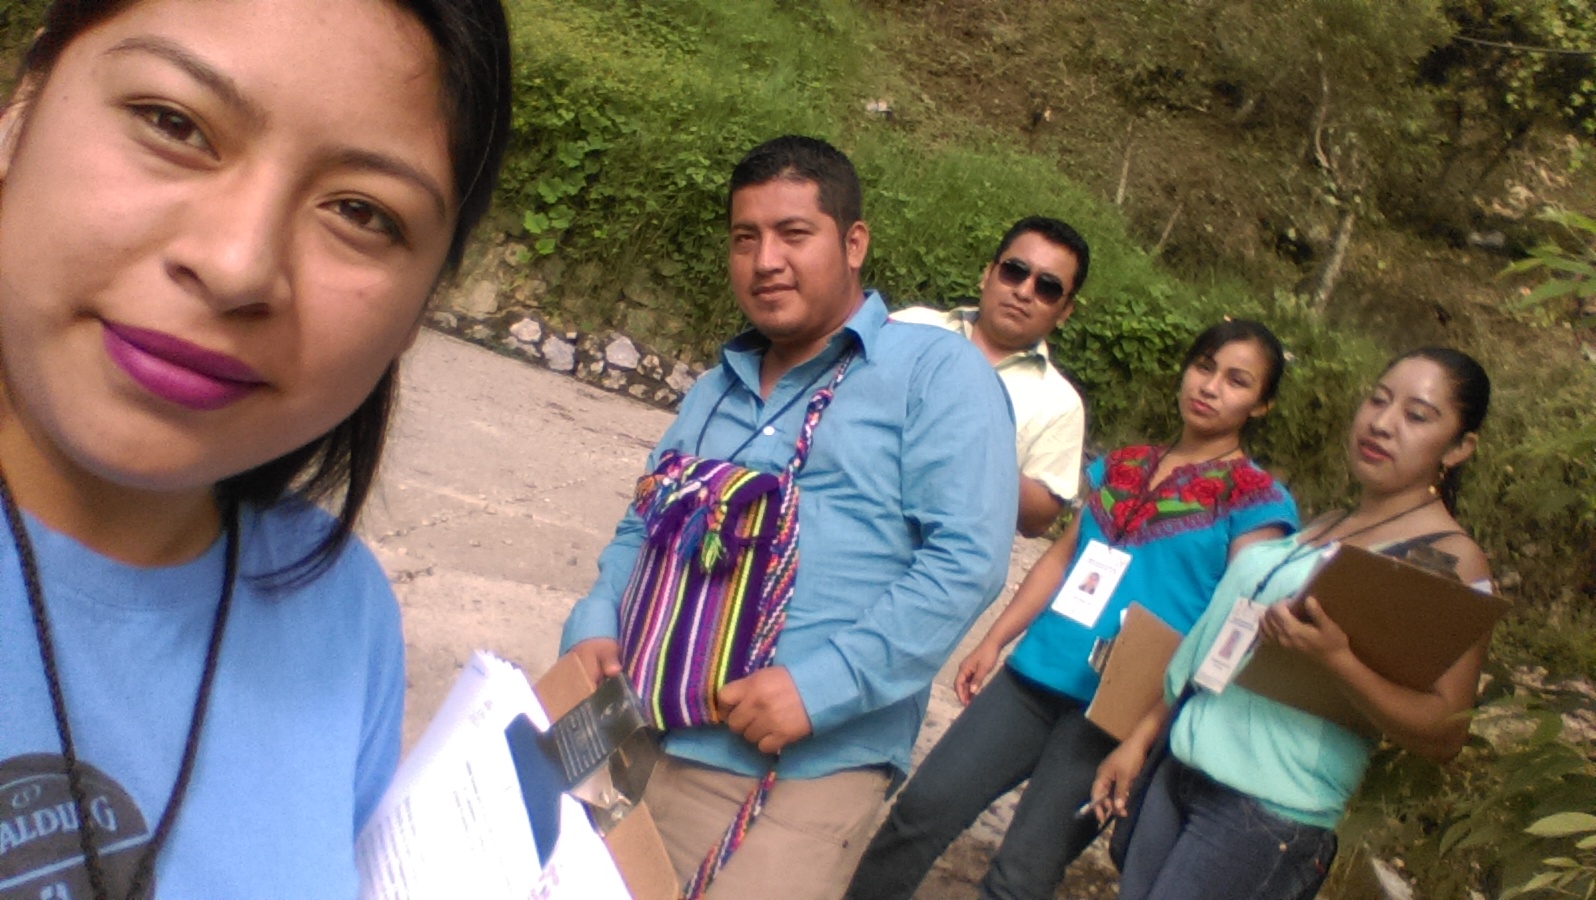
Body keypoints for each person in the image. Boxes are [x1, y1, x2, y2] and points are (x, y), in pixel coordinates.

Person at [0, 0, 510, 895]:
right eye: (174, 123)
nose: (238, 265)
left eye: (361, 212)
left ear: (420, 307)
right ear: (20, 111)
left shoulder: (343, 613)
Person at [559, 135, 1019, 900]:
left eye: (793, 233)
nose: (765, 260)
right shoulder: (716, 387)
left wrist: (821, 686)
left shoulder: (936, 373)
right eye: (745, 238)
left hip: (793, 771)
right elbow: (644, 521)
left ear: (854, 243)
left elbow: (966, 560)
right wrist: (595, 621)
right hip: (625, 726)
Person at [846, 318, 1298, 900]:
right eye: (1204, 367)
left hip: (1122, 709)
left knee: (1020, 875)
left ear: (1262, 405)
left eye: (1237, 381)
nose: (1210, 387)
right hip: (1036, 673)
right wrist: (995, 639)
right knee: (919, 814)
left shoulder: (1258, 501)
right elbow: (1062, 559)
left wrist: (1146, 735)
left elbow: (1232, 628)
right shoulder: (1124, 466)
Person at [1095, 348, 1494, 900]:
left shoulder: (1447, 560)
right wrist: (1143, 737)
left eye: (1417, 415)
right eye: (1378, 399)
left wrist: (1338, 660)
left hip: (1264, 811)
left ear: (1459, 447)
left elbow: (1445, 731)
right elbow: (1219, 643)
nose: (1382, 423)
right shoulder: (1329, 523)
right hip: (1183, 766)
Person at [892, 217, 1089, 537]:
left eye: (1048, 287)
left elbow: (1038, 519)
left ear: (1065, 311)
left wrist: (975, 448)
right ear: (987, 274)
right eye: (1014, 271)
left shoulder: (1061, 405)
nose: (1024, 291)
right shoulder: (910, 325)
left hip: (940, 555)